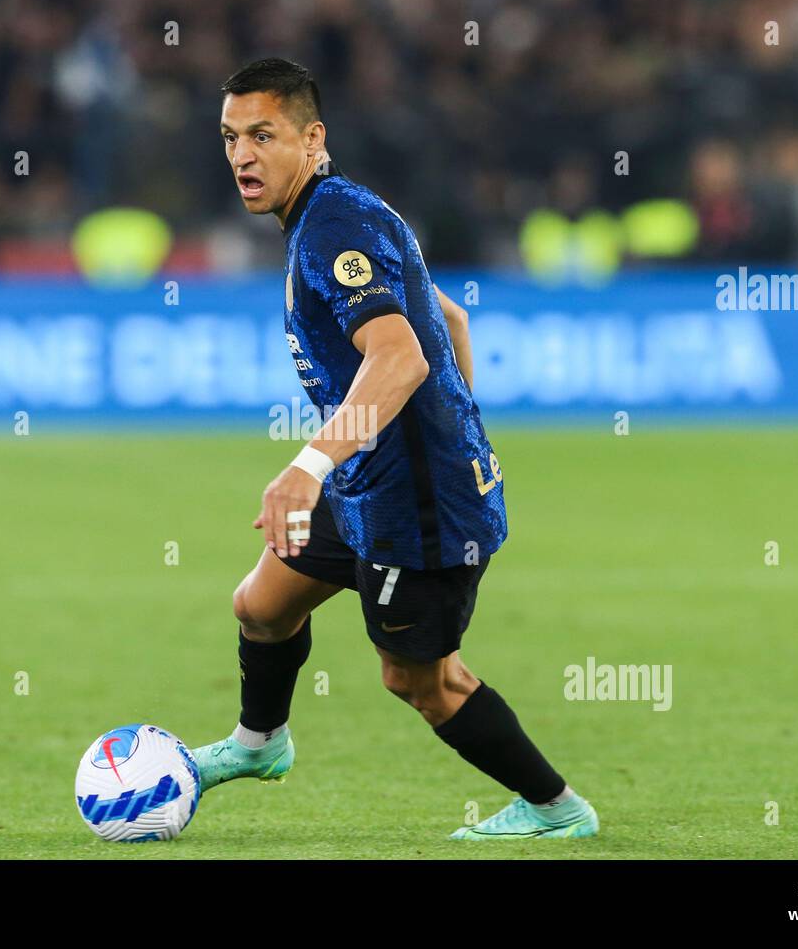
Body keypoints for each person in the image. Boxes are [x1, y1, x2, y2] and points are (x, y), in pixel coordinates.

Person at [192, 58, 598, 840]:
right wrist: (453, 429)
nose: (242, 155)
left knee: (421, 680)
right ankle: (259, 743)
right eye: (231, 137)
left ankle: (556, 810)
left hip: (417, 507)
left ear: (313, 138)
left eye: (263, 135)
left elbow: (404, 356)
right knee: (262, 605)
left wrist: (309, 466)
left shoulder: (333, 225)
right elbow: (448, 319)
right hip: (371, 482)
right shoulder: (337, 211)